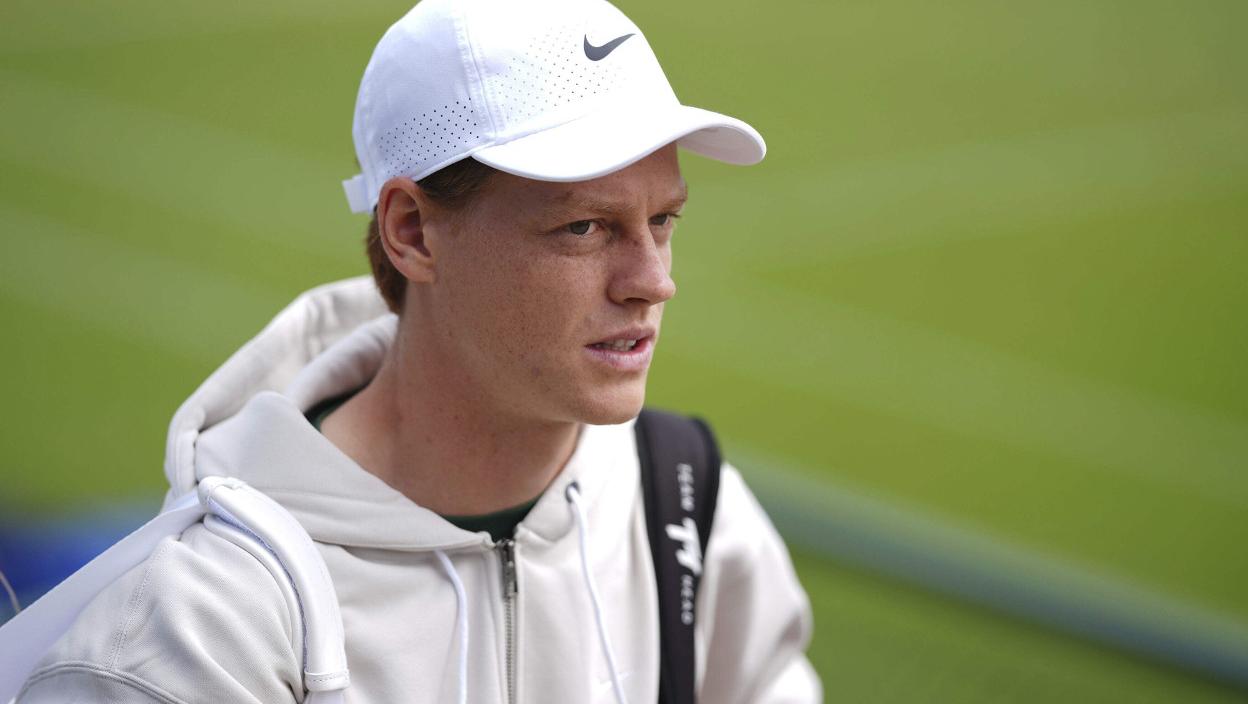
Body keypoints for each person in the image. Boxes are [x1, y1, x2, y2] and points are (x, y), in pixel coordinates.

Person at [14, 0, 820, 701]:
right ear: (412, 232)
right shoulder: (199, 635)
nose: (653, 281)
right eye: (584, 227)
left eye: (663, 221)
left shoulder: (686, 507)